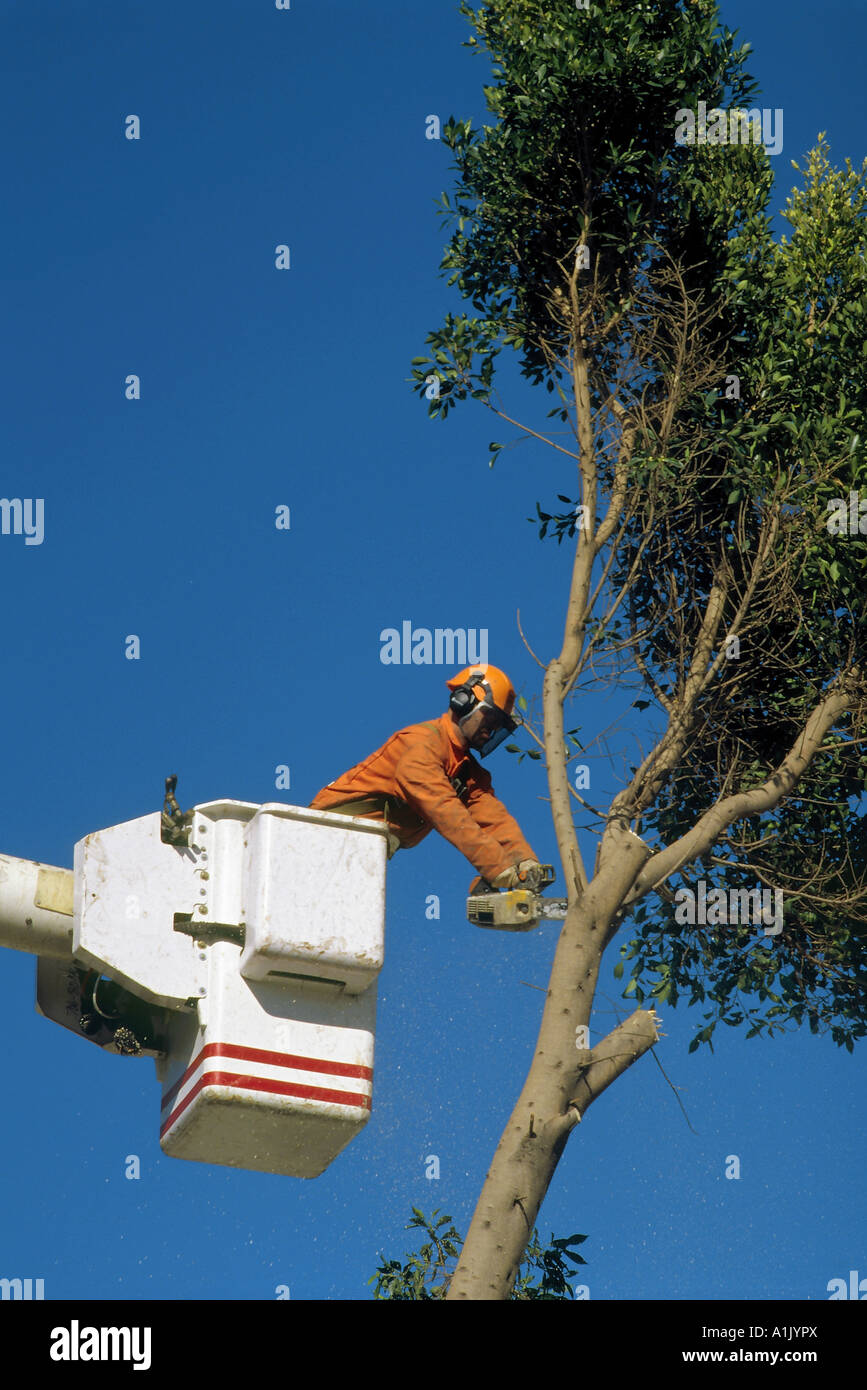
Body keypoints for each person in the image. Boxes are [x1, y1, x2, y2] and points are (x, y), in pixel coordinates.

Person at [309, 665, 540, 889]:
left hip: (361, 845)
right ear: (463, 701)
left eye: (498, 725)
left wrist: (525, 863)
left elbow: (495, 819)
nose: (490, 730)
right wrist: (498, 866)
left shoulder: (468, 772)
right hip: (321, 834)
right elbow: (444, 808)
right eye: (489, 718)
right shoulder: (421, 744)